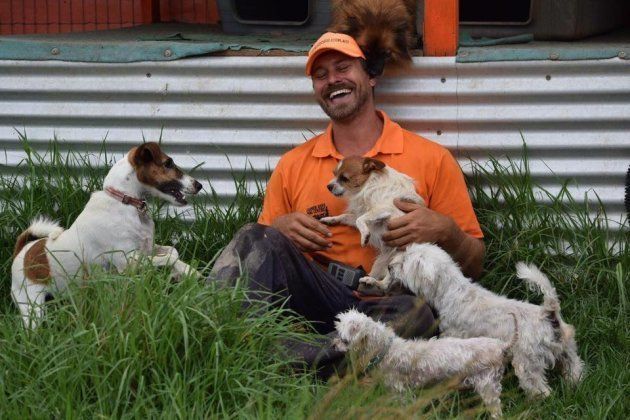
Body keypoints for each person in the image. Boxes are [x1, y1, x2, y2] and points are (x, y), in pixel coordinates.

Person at [209, 32, 484, 377]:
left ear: (370, 75)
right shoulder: (293, 164)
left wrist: (446, 231)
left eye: (343, 68)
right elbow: (261, 258)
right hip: (317, 295)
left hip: (388, 300)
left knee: (417, 315)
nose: (332, 80)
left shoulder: (431, 158)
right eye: (320, 75)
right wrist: (277, 230)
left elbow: (474, 266)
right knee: (253, 235)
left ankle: (283, 359)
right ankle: (219, 337)